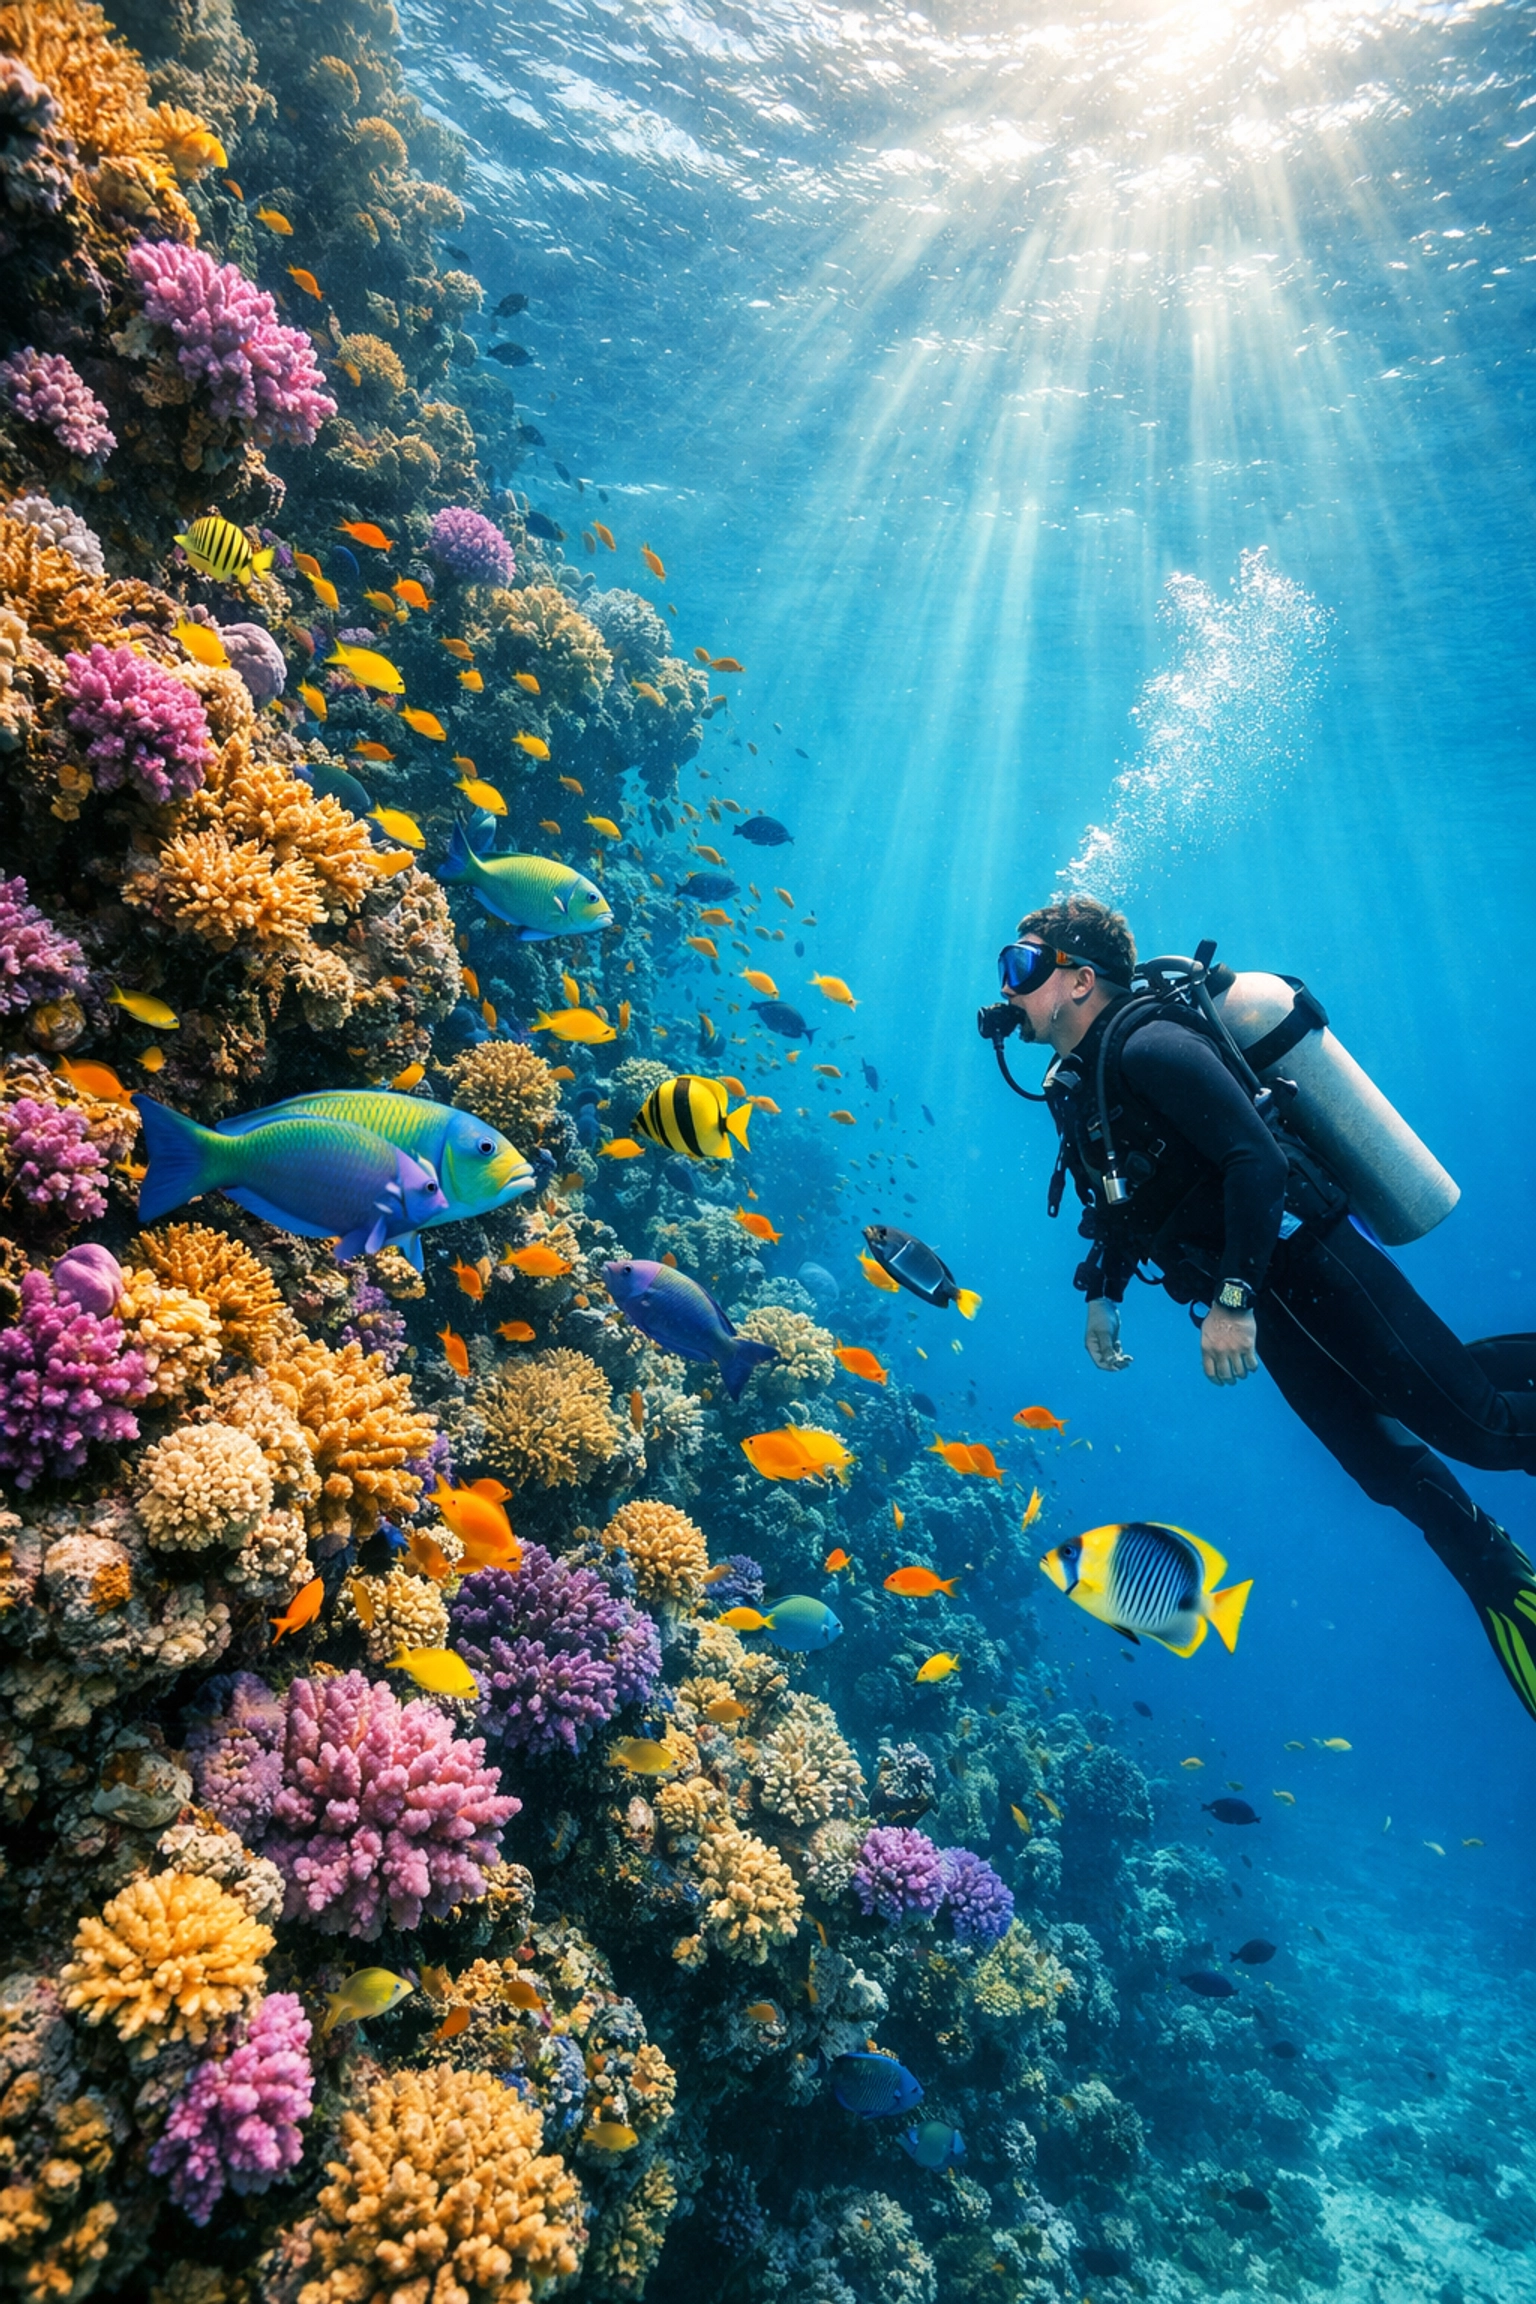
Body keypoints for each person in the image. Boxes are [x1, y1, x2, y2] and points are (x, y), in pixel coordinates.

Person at [993, 893, 1536, 1725]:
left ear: (1078, 979)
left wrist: (1236, 1302)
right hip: (1267, 1297)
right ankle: (1494, 1572)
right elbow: (1125, 1199)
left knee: (1485, 1431)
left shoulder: (1149, 1045)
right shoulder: (1080, 1083)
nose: (1008, 989)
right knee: (1382, 1464)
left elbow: (1255, 1159)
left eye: (1022, 966)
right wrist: (1102, 1292)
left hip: (1307, 1262)